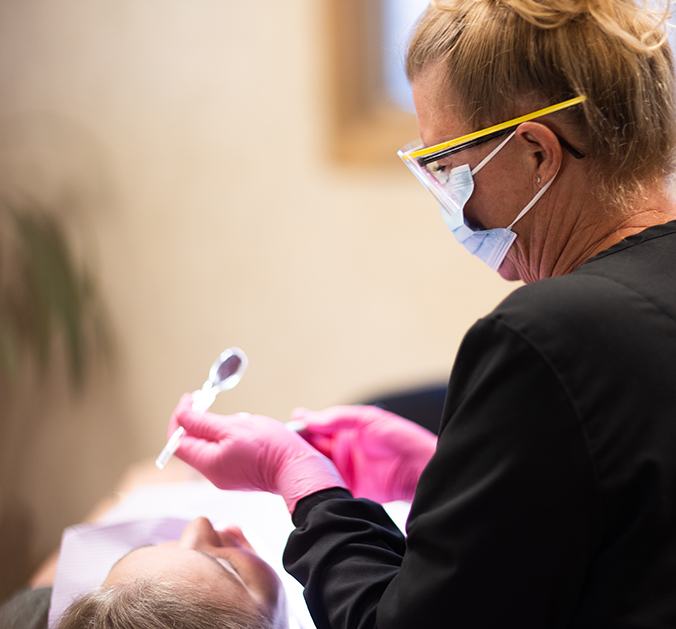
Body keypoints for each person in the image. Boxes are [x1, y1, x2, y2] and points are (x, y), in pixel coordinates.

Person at [167, 0, 676, 627]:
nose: (443, 192)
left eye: (446, 164)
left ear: (538, 153)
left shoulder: (546, 336)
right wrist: (444, 472)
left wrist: (302, 482)